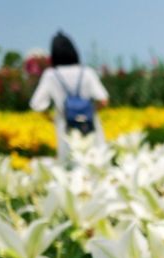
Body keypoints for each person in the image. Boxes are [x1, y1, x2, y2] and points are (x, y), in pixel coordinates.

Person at [29, 31, 109, 162]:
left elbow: (37, 104)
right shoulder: (87, 72)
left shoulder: (51, 75)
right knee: (97, 160)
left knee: (69, 165)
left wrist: (53, 118)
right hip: (89, 125)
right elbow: (103, 100)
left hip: (65, 126)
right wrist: (89, 112)